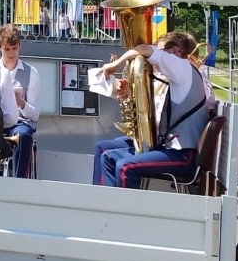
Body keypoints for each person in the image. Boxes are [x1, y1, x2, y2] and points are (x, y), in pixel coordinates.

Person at [91, 32, 215, 185]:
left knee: (125, 168)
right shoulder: (180, 74)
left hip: (183, 153)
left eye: (160, 50)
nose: (155, 58)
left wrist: (116, 64)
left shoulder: (182, 69)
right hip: (170, 145)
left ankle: (123, 208)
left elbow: (144, 49)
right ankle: (101, 203)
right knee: (104, 151)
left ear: (176, 51)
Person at [0, 23, 40, 177]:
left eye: (14, 48)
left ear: (20, 46)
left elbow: (35, 115)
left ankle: (20, 180)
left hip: (20, 123)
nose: (11, 53)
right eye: (7, 49)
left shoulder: (31, 73)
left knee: (23, 134)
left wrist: (21, 103)